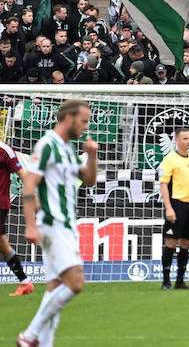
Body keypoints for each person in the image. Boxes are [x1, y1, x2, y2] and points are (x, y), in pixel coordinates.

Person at [15, 100, 99, 347]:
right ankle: (29, 335)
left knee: (54, 289)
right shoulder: (48, 145)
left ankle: (44, 343)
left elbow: (89, 180)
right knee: (75, 283)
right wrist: (30, 225)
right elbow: (29, 185)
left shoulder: (67, 148)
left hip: (66, 224)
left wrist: (92, 155)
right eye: (83, 121)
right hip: (53, 224)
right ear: (67, 118)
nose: (85, 127)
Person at [158, 126, 189, 290]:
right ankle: (165, 282)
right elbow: (163, 185)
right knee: (171, 242)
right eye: (185, 138)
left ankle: (180, 281)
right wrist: (168, 208)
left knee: (186, 243)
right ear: (176, 141)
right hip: (176, 204)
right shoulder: (170, 159)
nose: (188, 141)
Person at [0, 138, 33, 296]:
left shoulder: (4, 150)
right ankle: (25, 282)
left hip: (0, 204)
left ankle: (25, 282)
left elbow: (23, 175)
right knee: (2, 244)